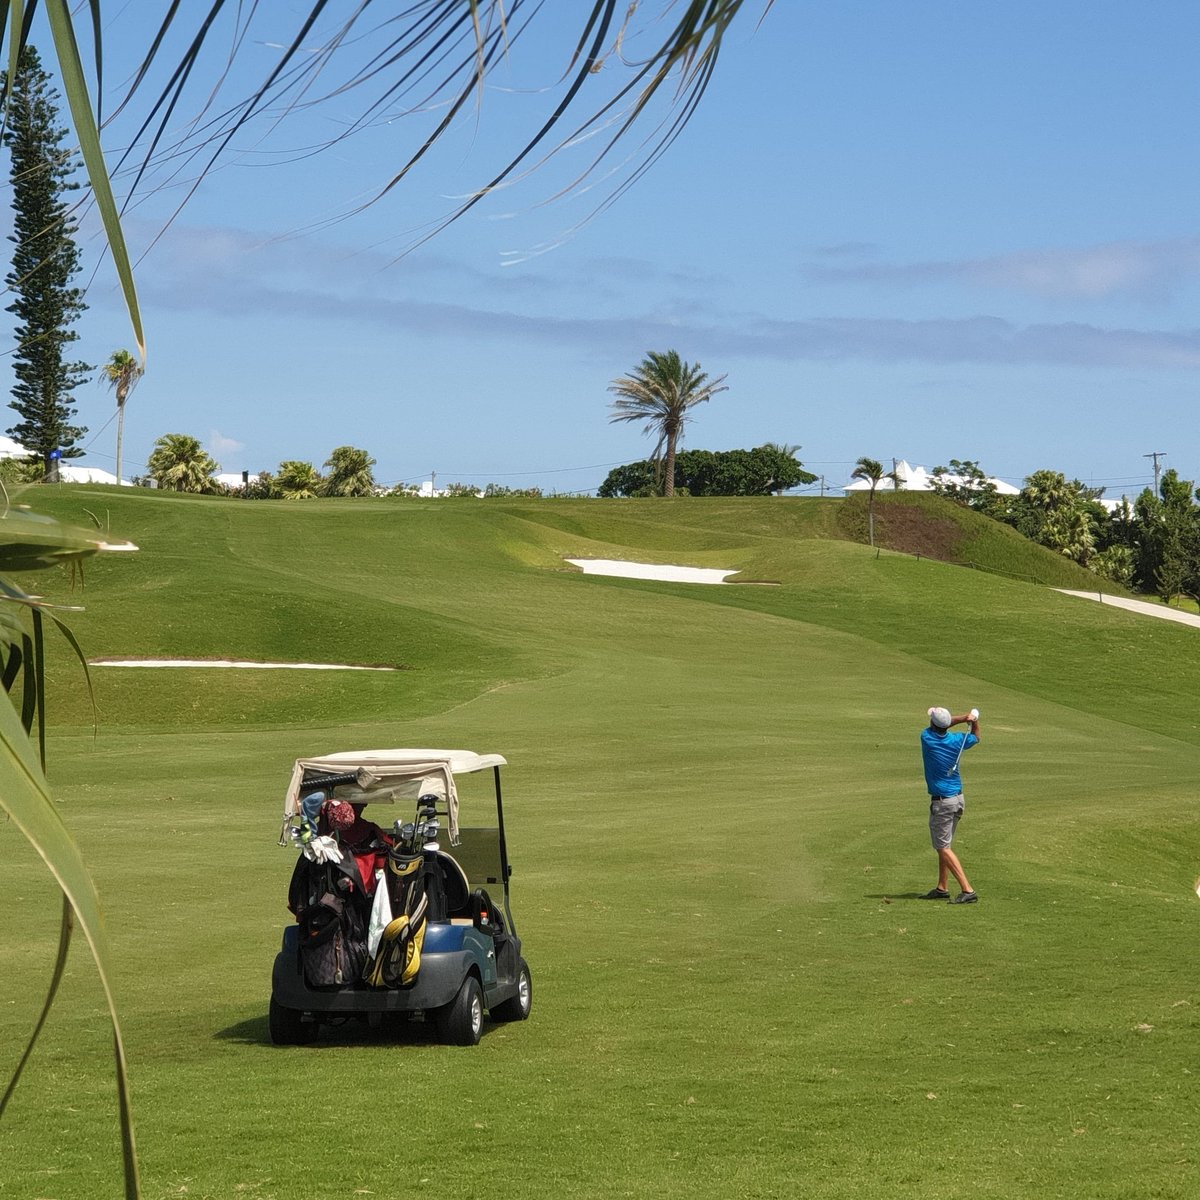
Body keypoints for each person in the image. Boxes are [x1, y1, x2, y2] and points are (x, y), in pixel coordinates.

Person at [919, 705, 981, 904]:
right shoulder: (957, 741)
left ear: (932, 724)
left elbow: (944, 723)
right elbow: (976, 736)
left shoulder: (927, 738)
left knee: (943, 847)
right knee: (945, 845)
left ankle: (967, 889)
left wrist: (963, 718)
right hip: (958, 799)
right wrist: (972, 720)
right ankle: (942, 887)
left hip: (943, 803)